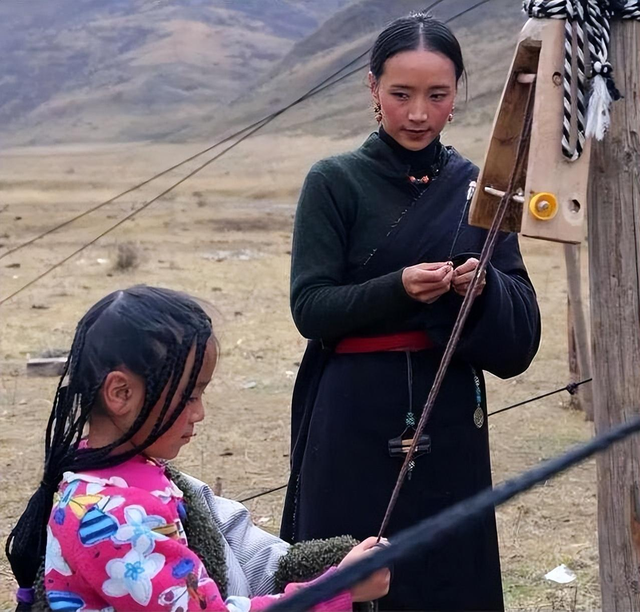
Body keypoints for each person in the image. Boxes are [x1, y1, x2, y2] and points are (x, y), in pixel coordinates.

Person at [281, 12, 541, 612]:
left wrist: (485, 293)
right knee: (351, 578)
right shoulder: (334, 181)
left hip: (448, 413)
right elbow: (311, 309)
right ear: (373, 89)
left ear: (458, 94)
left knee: (451, 577)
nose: (418, 113)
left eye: (437, 95)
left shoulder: (482, 188)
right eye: (400, 94)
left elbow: (521, 340)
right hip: (352, 419)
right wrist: (398, 287)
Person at [5, 286, 390, 612]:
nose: (199, 413)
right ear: (121, 393)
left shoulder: (130, 480)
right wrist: (336, 590)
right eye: (189, 396)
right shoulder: (110, 519)